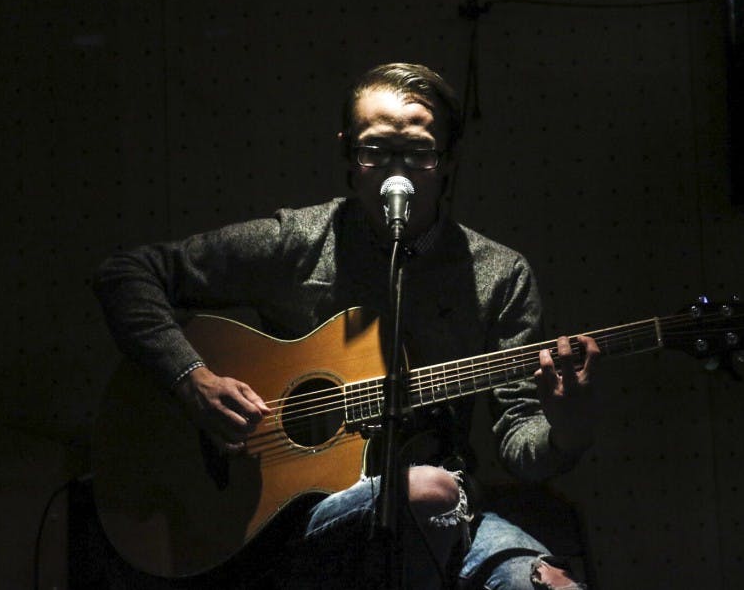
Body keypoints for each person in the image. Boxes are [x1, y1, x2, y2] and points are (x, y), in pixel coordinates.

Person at [93, 62, 600, 589]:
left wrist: (567, 427)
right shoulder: (300, 240)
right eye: (376, 150)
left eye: (419, 152)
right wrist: (191, 380)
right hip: (297, 517)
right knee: (426, 491)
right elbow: (127, 275)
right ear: (349, 157)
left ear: (446, 160)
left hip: (446, 506)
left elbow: (522, 447)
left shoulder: (499, 274)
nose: (395, 170)